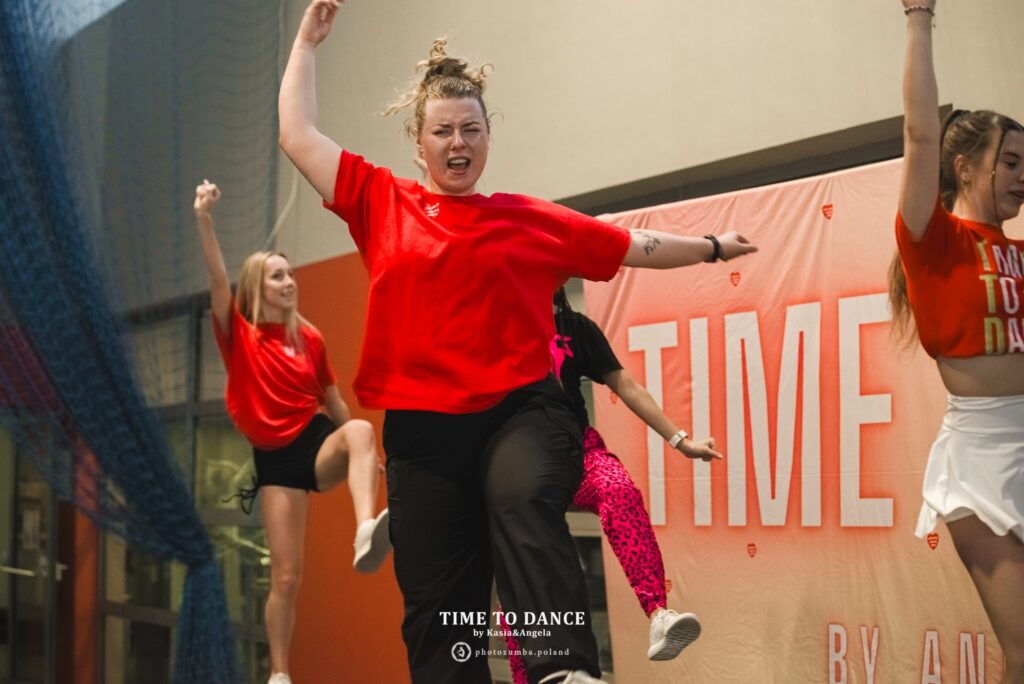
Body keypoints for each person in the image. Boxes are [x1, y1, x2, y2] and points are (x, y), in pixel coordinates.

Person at [278, 3, 756, 682]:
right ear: (418, 143)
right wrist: (305, 42)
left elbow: (631, 244)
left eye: (471, 129)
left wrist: (710, 246)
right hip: (422, 432)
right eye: (443, 131)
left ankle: (562, 670)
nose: (458, 142)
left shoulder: (526, 219)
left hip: (518, 413)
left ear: (487, 137)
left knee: (522, 500)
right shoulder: (380, 200)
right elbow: (297, 136)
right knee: (441, 605)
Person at [193, 180, 391, 684]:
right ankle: (279, 673)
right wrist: (205, 218)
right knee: (286, 577)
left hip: (314, 439)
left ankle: (366, 531)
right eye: (277, 276)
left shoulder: (310, 338)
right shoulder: (239, 335)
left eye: (290, 275)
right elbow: (217, 279)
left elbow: (334, 402)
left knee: (360, 431)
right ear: (258, 287)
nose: (288, 283)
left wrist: (361, 452)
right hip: (275, 460)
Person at [891, 2, 1024, 681]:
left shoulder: (1018, 253)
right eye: (1011, 161)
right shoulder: (934, 239)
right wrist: (919, 17)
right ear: (966, 167)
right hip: (981, 459)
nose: (1022, 175)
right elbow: (920, 135)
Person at [500, 288, 721, 683]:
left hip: (576, 450)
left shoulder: (575, 328)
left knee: (618, 488)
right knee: (521, 562)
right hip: (519, 463)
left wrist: (680, 440)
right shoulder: (495, 325)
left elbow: (627, 386)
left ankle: (658, 614)